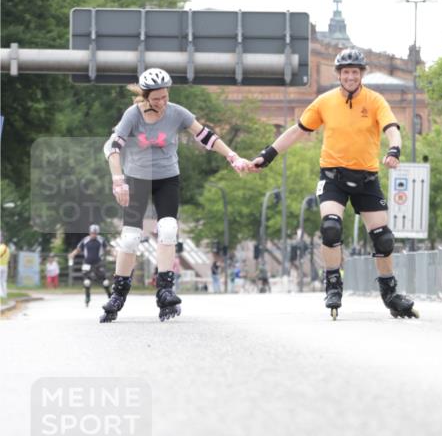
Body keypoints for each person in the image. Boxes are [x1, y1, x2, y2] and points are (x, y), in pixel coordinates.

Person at [249, 47, 418, 319]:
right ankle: (333, 284)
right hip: (333, 177)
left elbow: (391, 128)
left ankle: (390, 293)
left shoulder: (375, 100)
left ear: (361, 74)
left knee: (383, 238)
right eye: (346, 72)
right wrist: (266, 156)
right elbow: (297, 131)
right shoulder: (324, 101)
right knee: (330, 228)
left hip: (367, 178)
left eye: (355, 72)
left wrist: (394, 150)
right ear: (339, 74)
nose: (350, 76)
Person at [101, 67, 250, 323]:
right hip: (137, 178)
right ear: (145, 96)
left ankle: (165, 289)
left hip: (167, 177)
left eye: (165, 96)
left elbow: (206, 137)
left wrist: (232, 157)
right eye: (156, 98)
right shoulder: (132, 115)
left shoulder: (177, 113)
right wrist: (118, 180)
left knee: (168, 228)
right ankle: (119, 292)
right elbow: (113, 147)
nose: (161, 102)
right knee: (129, 238)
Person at [68, 225, 111, 306]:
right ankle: (87, 298)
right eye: (92, 233)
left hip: (98, 263)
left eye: (95, 233)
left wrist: (115, 253)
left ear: (97, 233)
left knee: (105, 282)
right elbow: (78, 249)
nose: (93, 235)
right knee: (87, 282)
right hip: (87, 263)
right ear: (89, 233)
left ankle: (110, 296)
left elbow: (108, 248)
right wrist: (72, 254)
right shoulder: (85, 240)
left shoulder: (101, 240)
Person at [0, 232, 9, 300]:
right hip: (5, 266)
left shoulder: (0, 248)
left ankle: (1, 295)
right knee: (3, 281)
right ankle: (5, 294)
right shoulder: (7, 249)